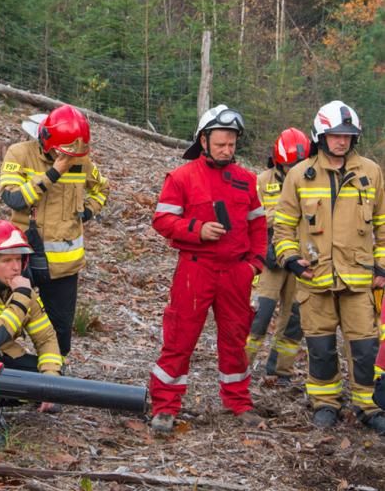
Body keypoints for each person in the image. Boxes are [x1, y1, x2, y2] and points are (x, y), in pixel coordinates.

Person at [150, 104, 268, 432]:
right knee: (179, 338)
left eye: (231, 144)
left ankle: (239, 404)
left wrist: (254, 265)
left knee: (235, 339)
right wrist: (197, 230)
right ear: (203, 142)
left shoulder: (247, 180)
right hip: (195, 270)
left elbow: (258, 227)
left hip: (236, 273)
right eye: (220, 144)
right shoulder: (182, 177)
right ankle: (165, 407)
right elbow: (162, 220)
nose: (227, 150)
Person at [273, 101, 385, 432]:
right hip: (315, 280)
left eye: (348, 135)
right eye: (335, 135)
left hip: (361, 282)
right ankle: (325, 403)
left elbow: (383, 223)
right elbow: (282, 227)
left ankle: (369, 406)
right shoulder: (298, 174)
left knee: (365, 349)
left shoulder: (372, 172)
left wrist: (381, 266)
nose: (342, 141)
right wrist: (291, 259)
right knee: (320, 349)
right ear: (320, 136)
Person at [0, 105, 109, 360]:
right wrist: (53, 173)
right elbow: (13, 198)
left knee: (59, 332)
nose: (70, 157)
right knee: (8, 322)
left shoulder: (81, 161)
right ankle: (6, 380)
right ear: (47, 141)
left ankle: (53, 385)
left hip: (64, 265)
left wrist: (88, 211)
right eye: (64, 152)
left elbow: (102, 188)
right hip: (22, 259)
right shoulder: (19, 154)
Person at [0, 220, 63, 445]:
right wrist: (21, 295)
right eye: (7, 260)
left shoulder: (22, 288)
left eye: (19, 259)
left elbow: (46, 337)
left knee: (55, 371)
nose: (16, 267)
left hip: (2, 358)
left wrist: (49, 381)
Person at [245, 128, 310, 383]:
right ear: (278, 161)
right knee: (261, 313)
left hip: (301, 260)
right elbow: (251, 217)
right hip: (269, 260)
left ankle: (281, 371)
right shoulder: (261, 181)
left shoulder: (313, 182)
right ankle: (240, 369)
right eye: (289, 166)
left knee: (295, 316)